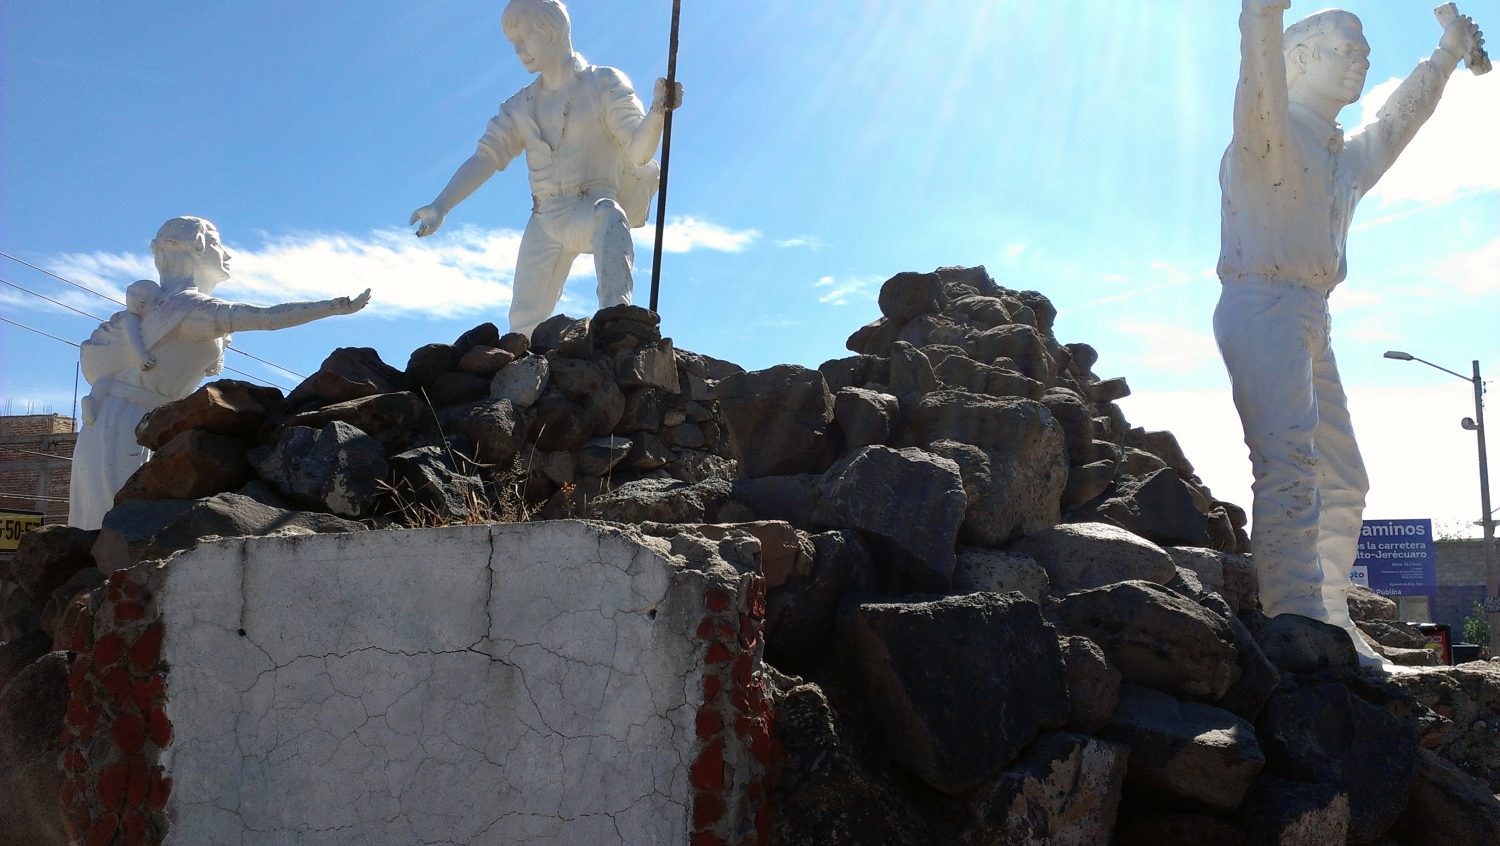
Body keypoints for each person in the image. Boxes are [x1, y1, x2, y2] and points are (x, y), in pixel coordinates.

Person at [1215, 0, 1485, 666]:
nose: (1362, 59)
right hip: (1261, 301)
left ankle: (1330, 620)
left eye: (1364, 50)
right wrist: (1263, 14)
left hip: (1310, 312)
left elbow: (1399, 121)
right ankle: (1296, 618)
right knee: (1291, 465)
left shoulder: (1341, 158)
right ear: (1300, 58)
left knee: (1345, 480)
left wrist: (1447, 53)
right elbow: (1258, 76)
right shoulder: (1268, 133)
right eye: (1346, 47)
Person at [68, 216, 371, 530]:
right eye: (218, 243)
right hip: (129, 424)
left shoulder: (169, 309)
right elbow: (266, 318)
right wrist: (334, 307)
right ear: (198, 246)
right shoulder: (188, 309)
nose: (227, 254)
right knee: (113, 526)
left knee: (110, 526)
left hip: (128, 420)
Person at [409, 0, 683, 338]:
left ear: (552, 31)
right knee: (522, 327)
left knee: (610, 217)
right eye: (514, 45)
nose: (520, 51)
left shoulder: (602, 83)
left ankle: (617, 326)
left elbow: (639, 152)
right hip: (544, 219)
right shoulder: (519, 106)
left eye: (524, 40)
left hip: (591, 206)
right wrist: (441, 205)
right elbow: (486, 158)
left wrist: (658, 110)